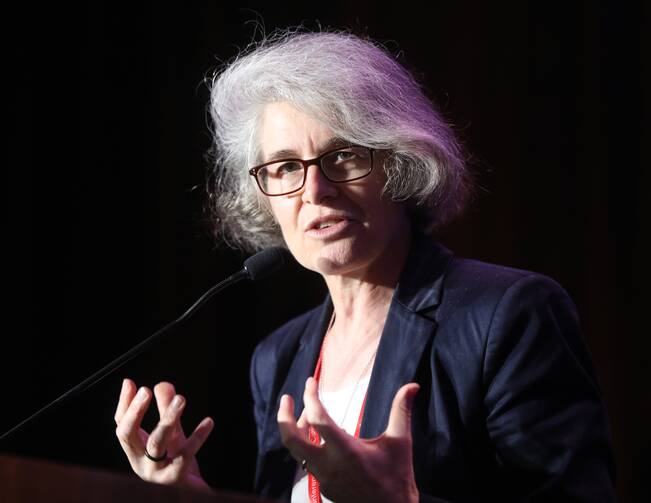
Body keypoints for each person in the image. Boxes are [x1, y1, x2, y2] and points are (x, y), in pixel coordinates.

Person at [114, 30, 615, 502]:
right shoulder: (278, 357)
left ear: (399, 164)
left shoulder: (506, 316)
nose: (315, 191)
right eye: (286, 166)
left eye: (344, 156)